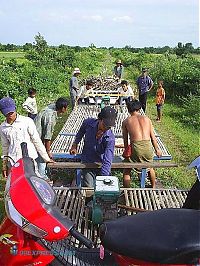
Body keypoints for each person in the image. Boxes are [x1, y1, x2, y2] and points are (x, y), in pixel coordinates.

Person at [0, 97, 53, 179]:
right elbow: (5, 146)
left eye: (11, 112)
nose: (10, 115)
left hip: (30, 159)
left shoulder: (27, 121)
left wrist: (46, 158)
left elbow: (37, 141)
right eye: (7, 113)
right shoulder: (3, 127)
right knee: (16, 183)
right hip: (14, 160)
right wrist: (4, 165)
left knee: (33, 181)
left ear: (15, 109)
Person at [69, 106, 117, 187]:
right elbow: (80, 133)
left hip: (101, 163)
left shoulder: (110, 139)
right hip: (87, 161)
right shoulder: (88, 123)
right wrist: (75, 145)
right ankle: (88, 199)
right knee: (89, 187)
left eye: (109, 127)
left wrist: (104, 178)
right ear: (100, 119)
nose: (106, 128)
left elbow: (108, 159)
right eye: (105, 125)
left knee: (101, 187)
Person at [122, 100, 162, 188]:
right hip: (148, 147)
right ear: (139, 109)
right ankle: (153, 187)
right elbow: (153, 137)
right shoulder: (147, 119)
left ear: (128, 110)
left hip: (136, 147)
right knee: (150, 167)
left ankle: (127, 191)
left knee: (127, 169)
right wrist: (157, 149)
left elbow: (125, 140)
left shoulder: (126, 121)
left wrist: (127, 153)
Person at [34, 97, 68, 179]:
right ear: (63, 108)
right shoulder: (50, 117)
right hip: (36, 137)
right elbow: (47, 137)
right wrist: (48, 152)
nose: (66, 109)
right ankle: (41, 177)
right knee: (42, 157)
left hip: (35, 132)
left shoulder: (52, 106)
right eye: (66, 108)